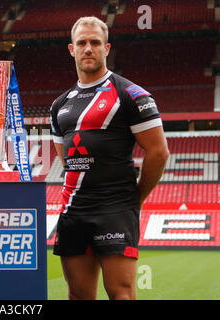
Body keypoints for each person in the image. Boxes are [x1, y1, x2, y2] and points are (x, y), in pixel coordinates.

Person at [50, 16, 169, 300]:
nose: (88, 48)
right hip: (73, 210)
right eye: (82, 43)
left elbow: (159, 152)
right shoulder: (59, 105)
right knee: (78, 295)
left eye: (95, 42)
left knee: (121, 294)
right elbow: (66, 161)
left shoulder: (131, 94)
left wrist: (135, 198)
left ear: (107, 48)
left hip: (115, 208)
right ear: (71, 49)